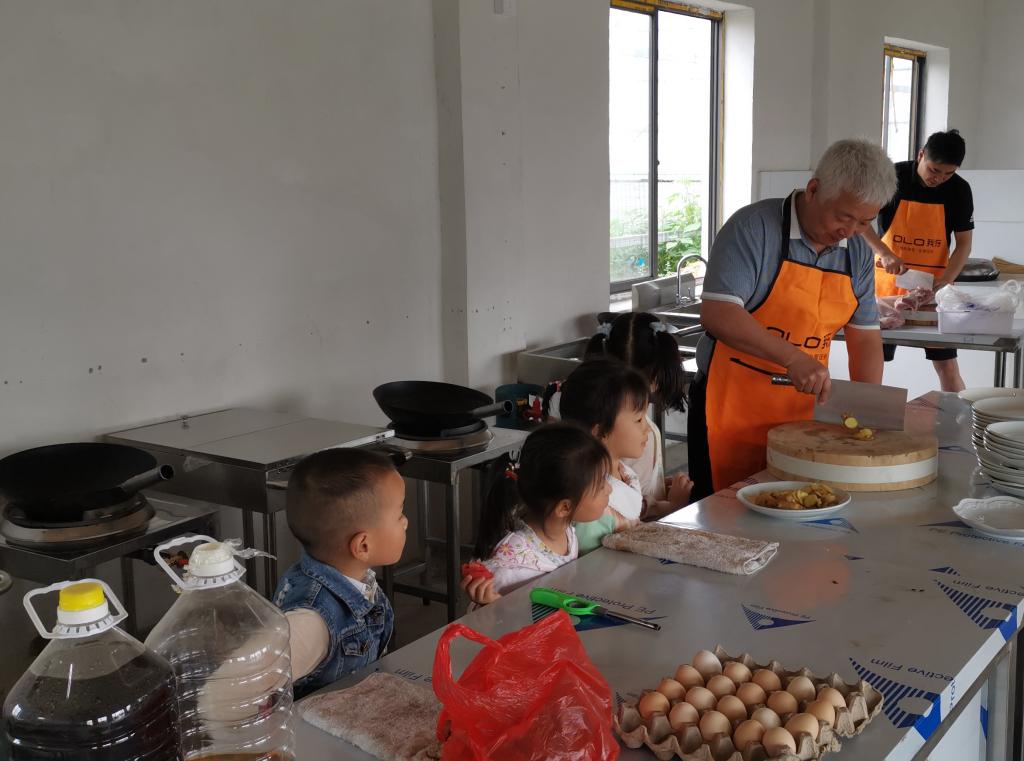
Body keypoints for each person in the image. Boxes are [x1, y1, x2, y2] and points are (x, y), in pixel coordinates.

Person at [689, 139, 897, 500]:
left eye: (864, 222)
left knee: (798, 509)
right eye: (843, 217)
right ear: (813, 190)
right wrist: (793, 357)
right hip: (730, 404)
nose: (849, 231)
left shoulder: (858, 251)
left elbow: (864, 336)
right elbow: (719, 313)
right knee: (725, 514)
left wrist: (868, 407)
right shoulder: (753, 228)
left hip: (804, 412)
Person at [273, 448, 407, 698]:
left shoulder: (355, 578)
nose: (405, 522)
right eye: (399, 515)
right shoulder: (312, 622)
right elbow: (233, 689)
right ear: (363, 546)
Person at [863, 129, 974, 392]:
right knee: (871, 362)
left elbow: (964, 244)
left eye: (948, 174)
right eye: (934, 170)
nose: (939, 179)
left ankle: (960, 416)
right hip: (885, 290)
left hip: (932, 293)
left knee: (947, 366)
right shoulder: (892, 178)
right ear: (921, 154)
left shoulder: (959, 190)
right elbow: (861, 222)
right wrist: (884, 253)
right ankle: (865, 414)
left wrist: (946, 280)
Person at [460, 423, 611, 606]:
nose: (609, 489)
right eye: (601, 485)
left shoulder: (565, 530)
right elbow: (482, 619)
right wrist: (491, 605)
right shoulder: (510, 567)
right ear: (564, 508)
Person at [556, 359, 690, 551]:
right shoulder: (591, 508)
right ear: (600, 432)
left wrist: (670, 506)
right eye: (638, 420)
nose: (647, 428)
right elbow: (593, 565)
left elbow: (634, 509)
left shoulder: (621, 471)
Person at [586, 312, 695, 508]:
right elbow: (627, 508)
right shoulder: (633, 436)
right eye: (638, 420)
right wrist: (672, 504)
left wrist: (658, 485)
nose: (644, 426)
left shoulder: (608, 419)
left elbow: (630, 488)